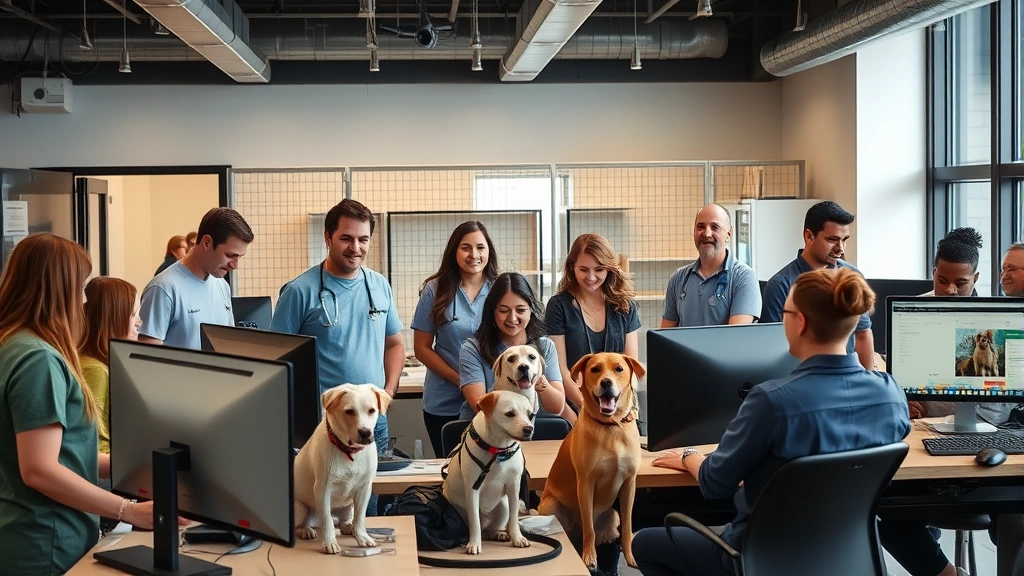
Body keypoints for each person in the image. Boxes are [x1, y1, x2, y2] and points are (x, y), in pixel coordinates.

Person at [631, 267, 917, 576]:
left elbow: (715, 482)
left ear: (801, 322)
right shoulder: (890, 394)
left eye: (784, 312)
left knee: (644, 543)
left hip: (760, 556)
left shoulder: (771, 401)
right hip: (848, 552)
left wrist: (690, 457)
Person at [0, 233, 159, 575]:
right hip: (44, 545)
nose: (85, 300)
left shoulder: (12, 343)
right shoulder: (38, 359)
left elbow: (64, 452)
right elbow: (40, 469)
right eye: (81, 288)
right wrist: (127, 510)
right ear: (58, 290)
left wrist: (133, 464)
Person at [271, 198, 404, 510]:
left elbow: (395, 343)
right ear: (328, 237)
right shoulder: (299, 291)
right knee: (319, 513)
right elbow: (275, 360)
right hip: (323, 426)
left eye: (363, 239)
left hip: (372, 420)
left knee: (364, 511)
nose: (355, 248)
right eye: (346, 238)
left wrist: (387, 393)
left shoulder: (379, 285)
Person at [412, 221, 498, 458]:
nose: (474, 255)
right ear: (454, 251)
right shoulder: (434, 290)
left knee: (491, 472)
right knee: (451, 474)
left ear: (489, 251)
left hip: (491, 400)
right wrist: (462, 380)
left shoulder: (500, 289)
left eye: (480, 247)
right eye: (466, 248)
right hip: (443, 401)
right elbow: (421, 348)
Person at [760, 200, 874, 369]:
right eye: (832, 239)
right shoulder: (780, 286)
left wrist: (869, 380)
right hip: (799, 383)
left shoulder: (852, 277)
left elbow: (863, 334)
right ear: (808, 236)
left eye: (844, 240)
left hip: (846, 378)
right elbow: (770, 348)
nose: (840, 248)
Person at [546, 233, 640, 425]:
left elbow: (631, 367)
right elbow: (562, 371)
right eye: (583, 269)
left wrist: (624, 409)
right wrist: (588, 408)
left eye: (599, 269)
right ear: (572, 267)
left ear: (609, 268)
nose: (591, 277)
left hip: (619, 409)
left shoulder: (625, 306)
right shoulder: (558, 306)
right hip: (577, 408)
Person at [138, 208, 253, 350]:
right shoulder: (163, 289)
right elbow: (147, 359)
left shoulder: (222, 286)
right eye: (230, 255)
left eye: (239, 257)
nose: (235, 265)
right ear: (206, 243)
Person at [458, 272, 565, 421]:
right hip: (486, 434)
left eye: (520, 310)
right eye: (503, 310)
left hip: (533, 433)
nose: (512, 318)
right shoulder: (473, 349)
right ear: (492, 311)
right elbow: (481, 407)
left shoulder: (545, 346)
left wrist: (540, 382)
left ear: (531, 310)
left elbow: (557, 407)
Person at [661, 204, 761, 328]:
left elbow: (736, 339)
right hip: (683, 349)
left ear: (728, 235)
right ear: (694, 232)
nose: (707, 233)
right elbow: (666, 335)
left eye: (715, 227)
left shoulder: (743, 278)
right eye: (700, 227)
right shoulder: (678, 279)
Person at [80, 277, 142, 454]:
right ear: (113, 318)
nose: (139, 321)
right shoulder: (96, 371)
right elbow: (94, 445)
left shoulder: (97, 363)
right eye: (133, 314)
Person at [922, 227, 982, 296]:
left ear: (975, 279)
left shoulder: (989, 306)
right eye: (942, 281)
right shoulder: (914, 305)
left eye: (960, 284)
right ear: (934, 274)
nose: (950, 290)